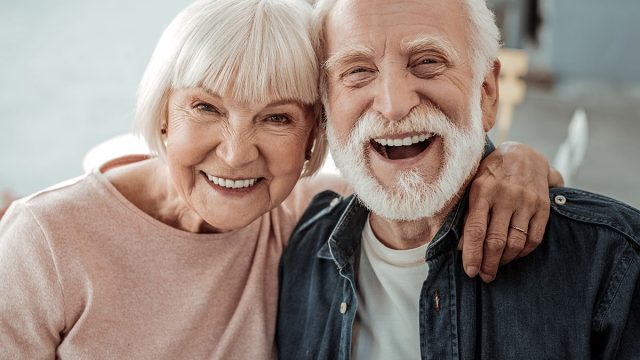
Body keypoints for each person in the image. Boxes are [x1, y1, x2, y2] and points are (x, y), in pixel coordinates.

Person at [0, 0, 560, 358]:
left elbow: (424, 185)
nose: (237, 154)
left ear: (315, 136)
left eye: (277, 118)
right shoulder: (46, 240)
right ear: (162, 112)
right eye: (206, 108)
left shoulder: (305, 217)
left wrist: (514, 160)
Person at [276, 0, 640, 359]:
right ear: (325, 109)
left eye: (427, 62)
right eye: (358, 71)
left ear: (487, 92)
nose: (394, 104)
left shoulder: (610, 265)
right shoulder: (302, 255)